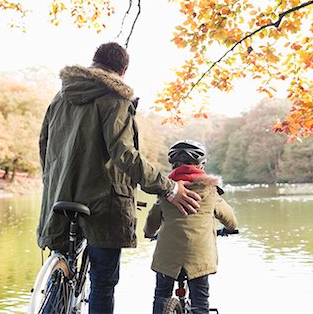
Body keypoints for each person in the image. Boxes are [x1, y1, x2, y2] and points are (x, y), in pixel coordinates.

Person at [36, 42, 201, 314]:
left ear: (93, 62)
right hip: (103, 204)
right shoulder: (114, 99)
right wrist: (168, 187)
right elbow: (124, 154)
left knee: (61, 275)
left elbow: (44, 145)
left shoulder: (60, 97)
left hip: (60, 198)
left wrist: (53, 181)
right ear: (123, 71)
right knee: (102, 282)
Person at [144, 140, 238, 314]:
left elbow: (152, 220)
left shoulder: (167, 191)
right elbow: (230, 219)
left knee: (161, 295)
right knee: (200, 300)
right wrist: (230, 229)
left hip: (168, 257)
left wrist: (149, 233)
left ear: (173, 166)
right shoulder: (210, 190)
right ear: (201, 166)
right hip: (199, 256)